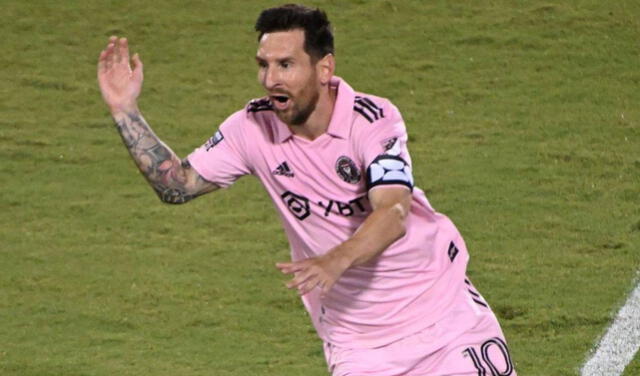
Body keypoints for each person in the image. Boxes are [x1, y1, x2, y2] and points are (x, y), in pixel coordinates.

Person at [97, 4, 516, 375]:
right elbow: (176, 185)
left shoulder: (372, 119)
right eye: (263, 64)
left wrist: (336, 260)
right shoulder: (251, 129)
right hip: (360, 347)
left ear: (324, 68)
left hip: (445, 320)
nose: (270, 79)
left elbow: (394, 212)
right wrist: (124, 109)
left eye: (285, 65)